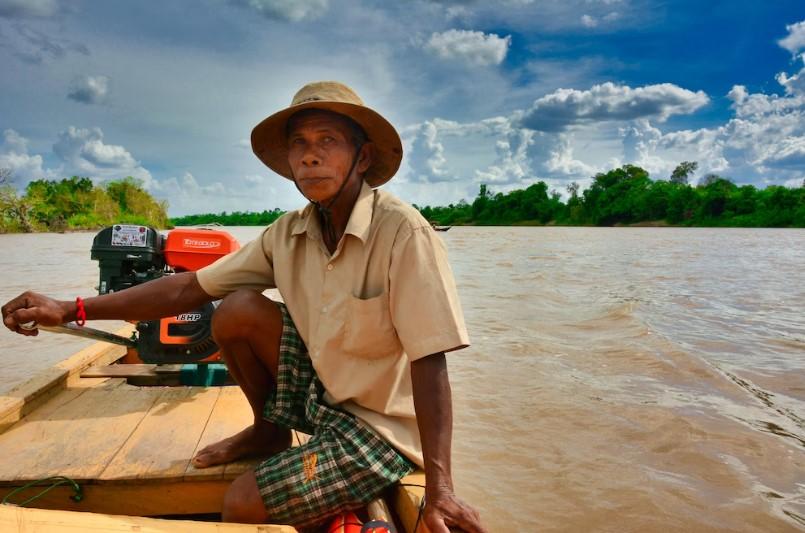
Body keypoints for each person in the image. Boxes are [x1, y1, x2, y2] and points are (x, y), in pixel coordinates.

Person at [2, 81, 487, 532]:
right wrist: (70, 309)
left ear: (361, 159)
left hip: (380, 428)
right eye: (300, 143)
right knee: (235, 308)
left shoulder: (403, 232)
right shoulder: (289, 232)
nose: (311, 156)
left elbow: (430, 358)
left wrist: (441, 487)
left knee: (241, 503)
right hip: (325, 398)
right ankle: (267, 432)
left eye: (328, 141)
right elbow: (187, 289)